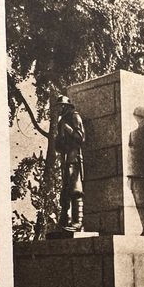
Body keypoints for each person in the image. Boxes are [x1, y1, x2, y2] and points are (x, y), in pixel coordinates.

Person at [55, 95, 85, 231]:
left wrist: (67, 129)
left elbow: (81, 137)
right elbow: (59, 144)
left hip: (74, 157)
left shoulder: (74, 117)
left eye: (61, 106)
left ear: (66, 106)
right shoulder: (61, 121)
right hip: (66, 158)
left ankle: (78, 222)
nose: (59, 108)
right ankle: (65, 221)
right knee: (66, 191)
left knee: (75, 189)